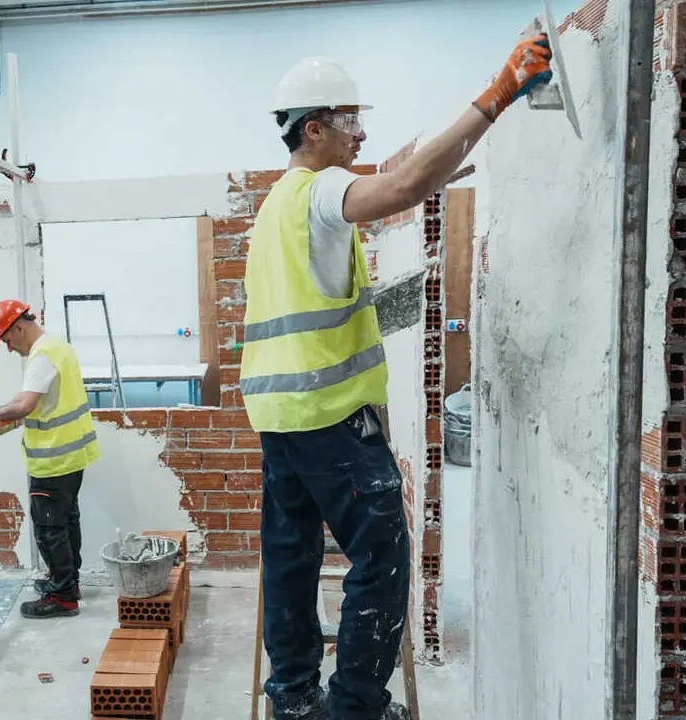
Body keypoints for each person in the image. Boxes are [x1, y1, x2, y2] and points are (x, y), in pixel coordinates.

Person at [241, 37, 554, 720]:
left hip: (279, 422)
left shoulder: (278, 204)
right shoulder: (323, 191)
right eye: (351, 119)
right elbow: (401, 187)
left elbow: (401, 172)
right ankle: (352, 707)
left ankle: (293, 696)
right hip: (329, 419)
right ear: (314, 129)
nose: (363, 131)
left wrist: (433, 158)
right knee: (382, 560)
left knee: (291, 562)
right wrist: (498, 93)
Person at [0, 299, 100, 619]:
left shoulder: (42, 354)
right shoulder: (58, 347)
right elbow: (26, 399)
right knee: (66, 522)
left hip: (53, 460)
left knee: (50, 528)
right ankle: (68, 582)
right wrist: (6, 414)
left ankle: (62, 596)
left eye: (6, 340)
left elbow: (25, 405)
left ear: (18, 328)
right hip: (72, 456)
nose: (7, 348)